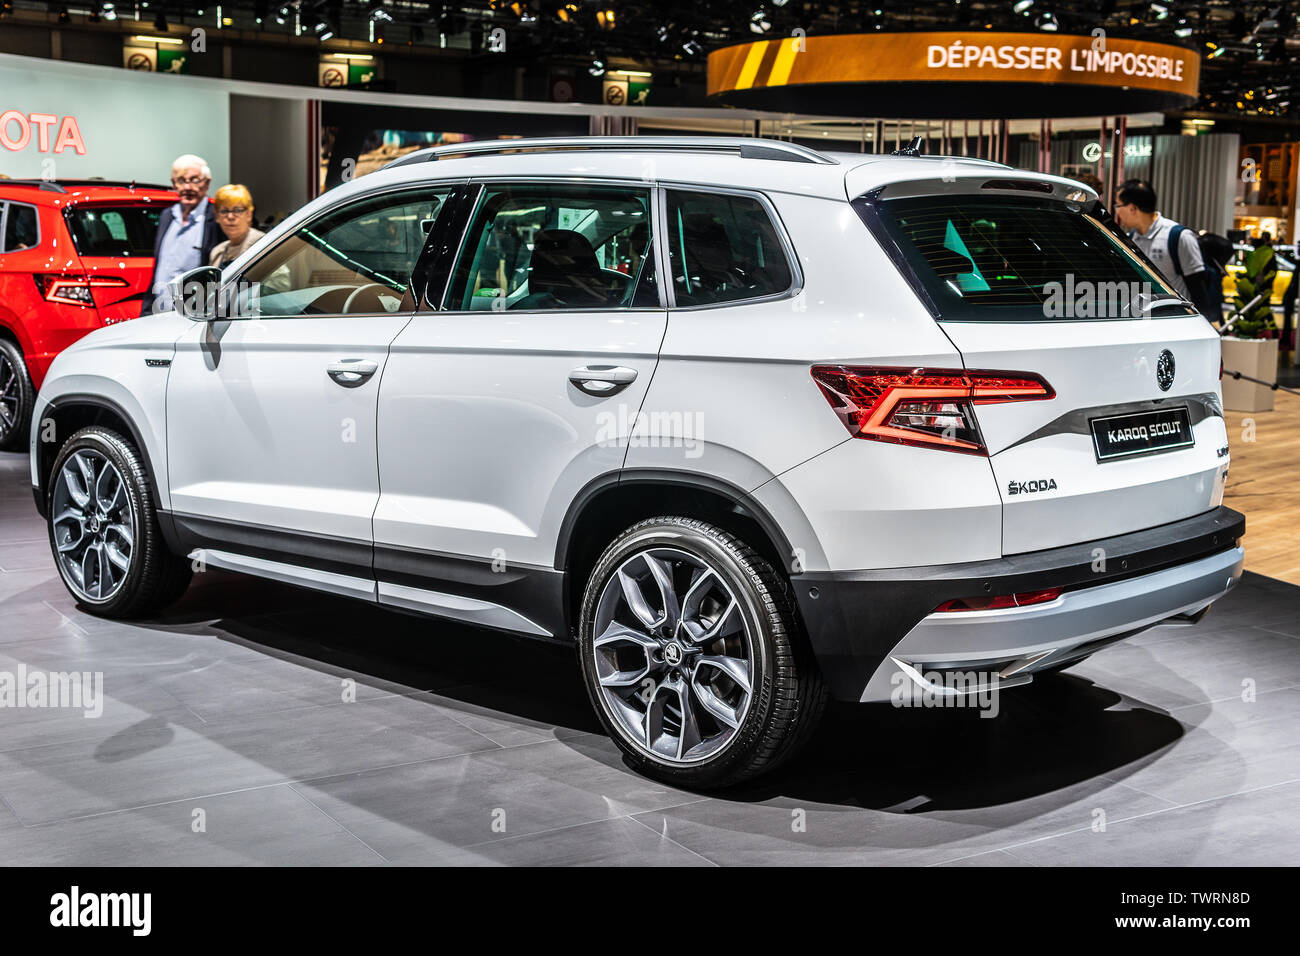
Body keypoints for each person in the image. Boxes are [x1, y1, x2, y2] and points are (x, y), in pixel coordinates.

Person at [1113, 179, 1219, 319]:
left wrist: (1206, 322)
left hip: (1177, 320)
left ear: (1132, 208)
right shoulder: (1130, 239)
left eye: (1118, 205)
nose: (1117, 212)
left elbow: (1198, 286)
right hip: (1144, 319)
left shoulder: (1179, 236)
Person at [144, 154, 222, 313]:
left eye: (194, 180)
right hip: (158, 315)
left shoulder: (216, 220)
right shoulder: (167, 216)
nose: (187, 187)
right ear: (174, 184)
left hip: (193, 317)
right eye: (181, 180)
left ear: (207, 183)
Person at [209, 184, 265, 267]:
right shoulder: (217, 252)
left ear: (249, 214)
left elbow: (279, 279)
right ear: (217, 216)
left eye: (237, 210)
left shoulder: (261, 244)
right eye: (224, 211)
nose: (230, 216)